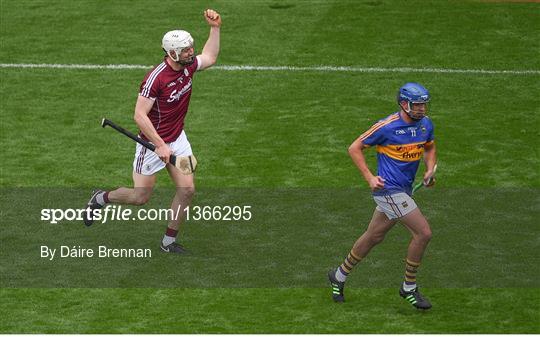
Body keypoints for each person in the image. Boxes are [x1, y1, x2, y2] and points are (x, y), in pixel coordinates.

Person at [83, 9, 222, 254]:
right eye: (186, 50)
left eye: (191, 48)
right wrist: (158, 144)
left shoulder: (188, 67)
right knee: (140, 197)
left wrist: (215, 28)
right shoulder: (155, 79)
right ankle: (101, 198)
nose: (191, 52)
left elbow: (209, 57)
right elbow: (139, 115)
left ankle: (168, 242)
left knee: (188, 190)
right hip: (151, 145)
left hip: (178, 140)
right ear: (172, 53)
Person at [328, 82, 437, 309]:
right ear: (404, 104)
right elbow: (354, 147)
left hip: (403, 190)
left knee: (373, 236)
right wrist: (369, 177)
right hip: (388, 191)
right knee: (423, 233)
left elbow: (429, 147)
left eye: (424, 105)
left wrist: (429, 170)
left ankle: (338, 275)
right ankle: (408, 287)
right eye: (417, 105)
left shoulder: (425, 125)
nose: (422, 110)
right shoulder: (386, 127)